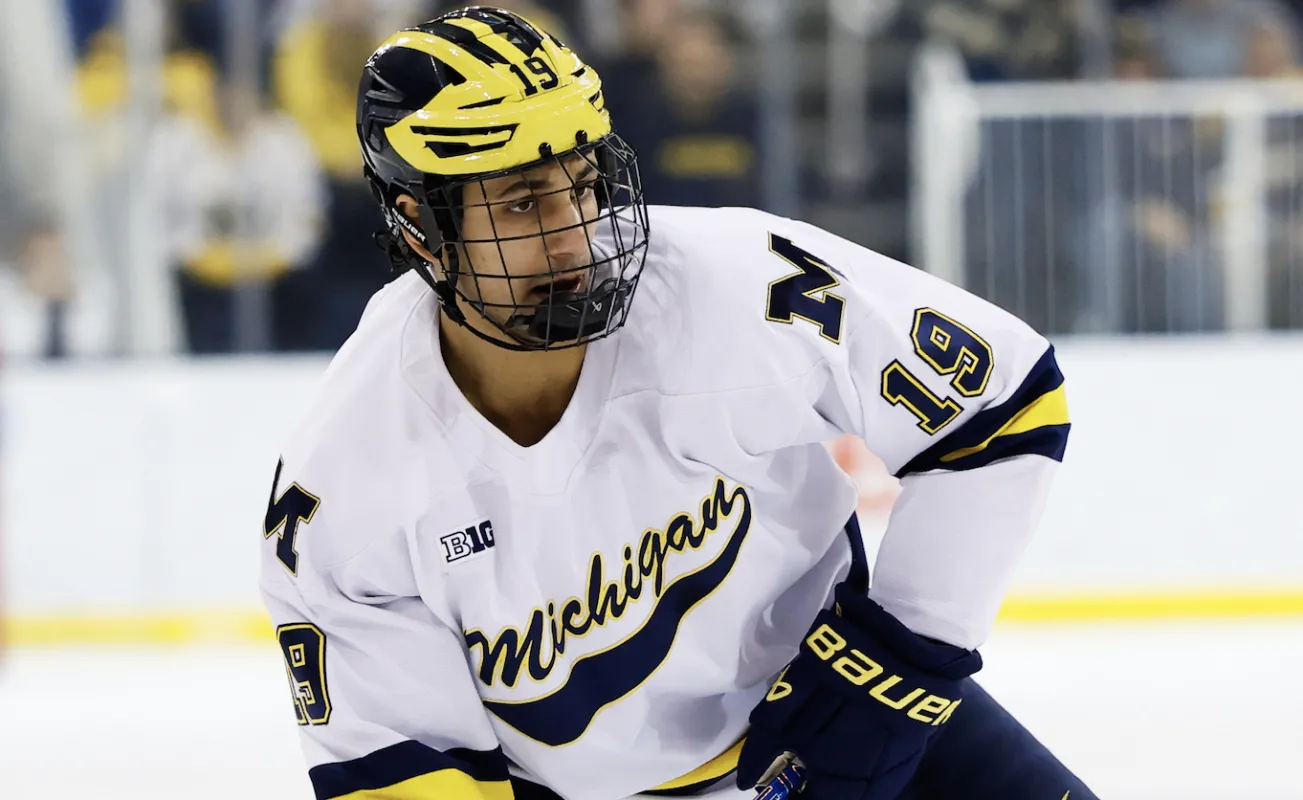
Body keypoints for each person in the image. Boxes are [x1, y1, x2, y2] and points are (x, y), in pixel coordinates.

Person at [259, 8, 1095, 800]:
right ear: (417, 226)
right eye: (521, 202)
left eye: (581, 185)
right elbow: (403, 767)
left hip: (847, 724)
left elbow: (1002, 399)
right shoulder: (344, 484)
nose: (575, 234)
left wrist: (894, 670)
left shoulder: (739, 286)